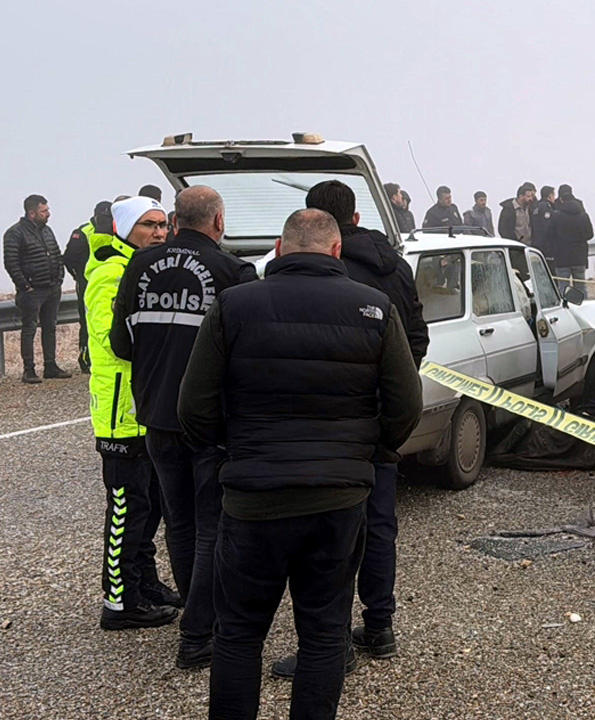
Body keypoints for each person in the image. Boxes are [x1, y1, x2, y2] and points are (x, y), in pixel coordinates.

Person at [178, 208, 421, 720]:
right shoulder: (373, 307)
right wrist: (370, 453)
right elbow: (405, 405)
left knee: (239, 633)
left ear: (279, 248)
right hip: (337, 498)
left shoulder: (233, 305)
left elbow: (193, 407)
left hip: (252, 499)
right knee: (324, 633)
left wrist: (232, 451)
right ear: (336, 251)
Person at [261, 181, 428, 675]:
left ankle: (329, 644)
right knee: (378, 526)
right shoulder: (393, 263)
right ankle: (380, 627)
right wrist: (390, 397)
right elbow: (415, 337)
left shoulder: (302, 275)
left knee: (323, 537)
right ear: (355, 216)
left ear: (314, 221)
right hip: (377, 419)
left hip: (324, 423)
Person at [109, 186, 256, 669]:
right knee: (213, 523)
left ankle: (198, 616)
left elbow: (121, 343)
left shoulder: (139, 266)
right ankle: (199, 631)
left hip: (155, 415)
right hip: (210, 420)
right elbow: (245, 353)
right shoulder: (232, 271)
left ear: (173, 221)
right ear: (218, 221)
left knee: (179, 522)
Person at [87, 196, 180, 631]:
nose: (159, 233)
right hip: (120, 411)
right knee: (126, 508)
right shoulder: (110, 274)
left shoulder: (145, 269)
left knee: (151, 506)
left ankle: (145, 583)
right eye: (148, 225)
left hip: (145, 407)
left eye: (163, 225)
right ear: (125, 229)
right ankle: (119, 602)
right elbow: (109, 341)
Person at [4, 195, 71, 384]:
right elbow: (11, 263)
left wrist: (59, 278)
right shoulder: (15, 233)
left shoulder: (47, 231)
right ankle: (29, 370)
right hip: (32, 291)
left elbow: (57, 254)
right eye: (44, 211)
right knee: (29, 329)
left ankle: (50, 366)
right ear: (32, 213)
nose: (48, 214)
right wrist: (25, 285)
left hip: (51, 287)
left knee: (50, 328)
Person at [65, 201, 113, 373]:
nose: (106, 219)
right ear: (95, 215)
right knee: (87, 322)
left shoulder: (115, 229)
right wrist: (79, 276)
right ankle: (86, 358)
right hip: (87, 283)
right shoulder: (83, 232)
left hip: (108, 280)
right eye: (103, 216)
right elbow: (69, 258)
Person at [547, 185, 593, 293]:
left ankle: (565, 309)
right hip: (579, 256)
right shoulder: (583, 215)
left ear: (561, 199)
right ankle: (582, 308)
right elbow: (590, 234)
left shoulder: (556, 215)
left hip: (561, 257)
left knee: (563, 286)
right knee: (581, 286)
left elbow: (549, 235)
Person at [530, 185, 557, 255]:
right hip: (545, 245)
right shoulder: (546, 208)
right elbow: (547, 227)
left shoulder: (536, 206)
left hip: (536, 242)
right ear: (550, 196)